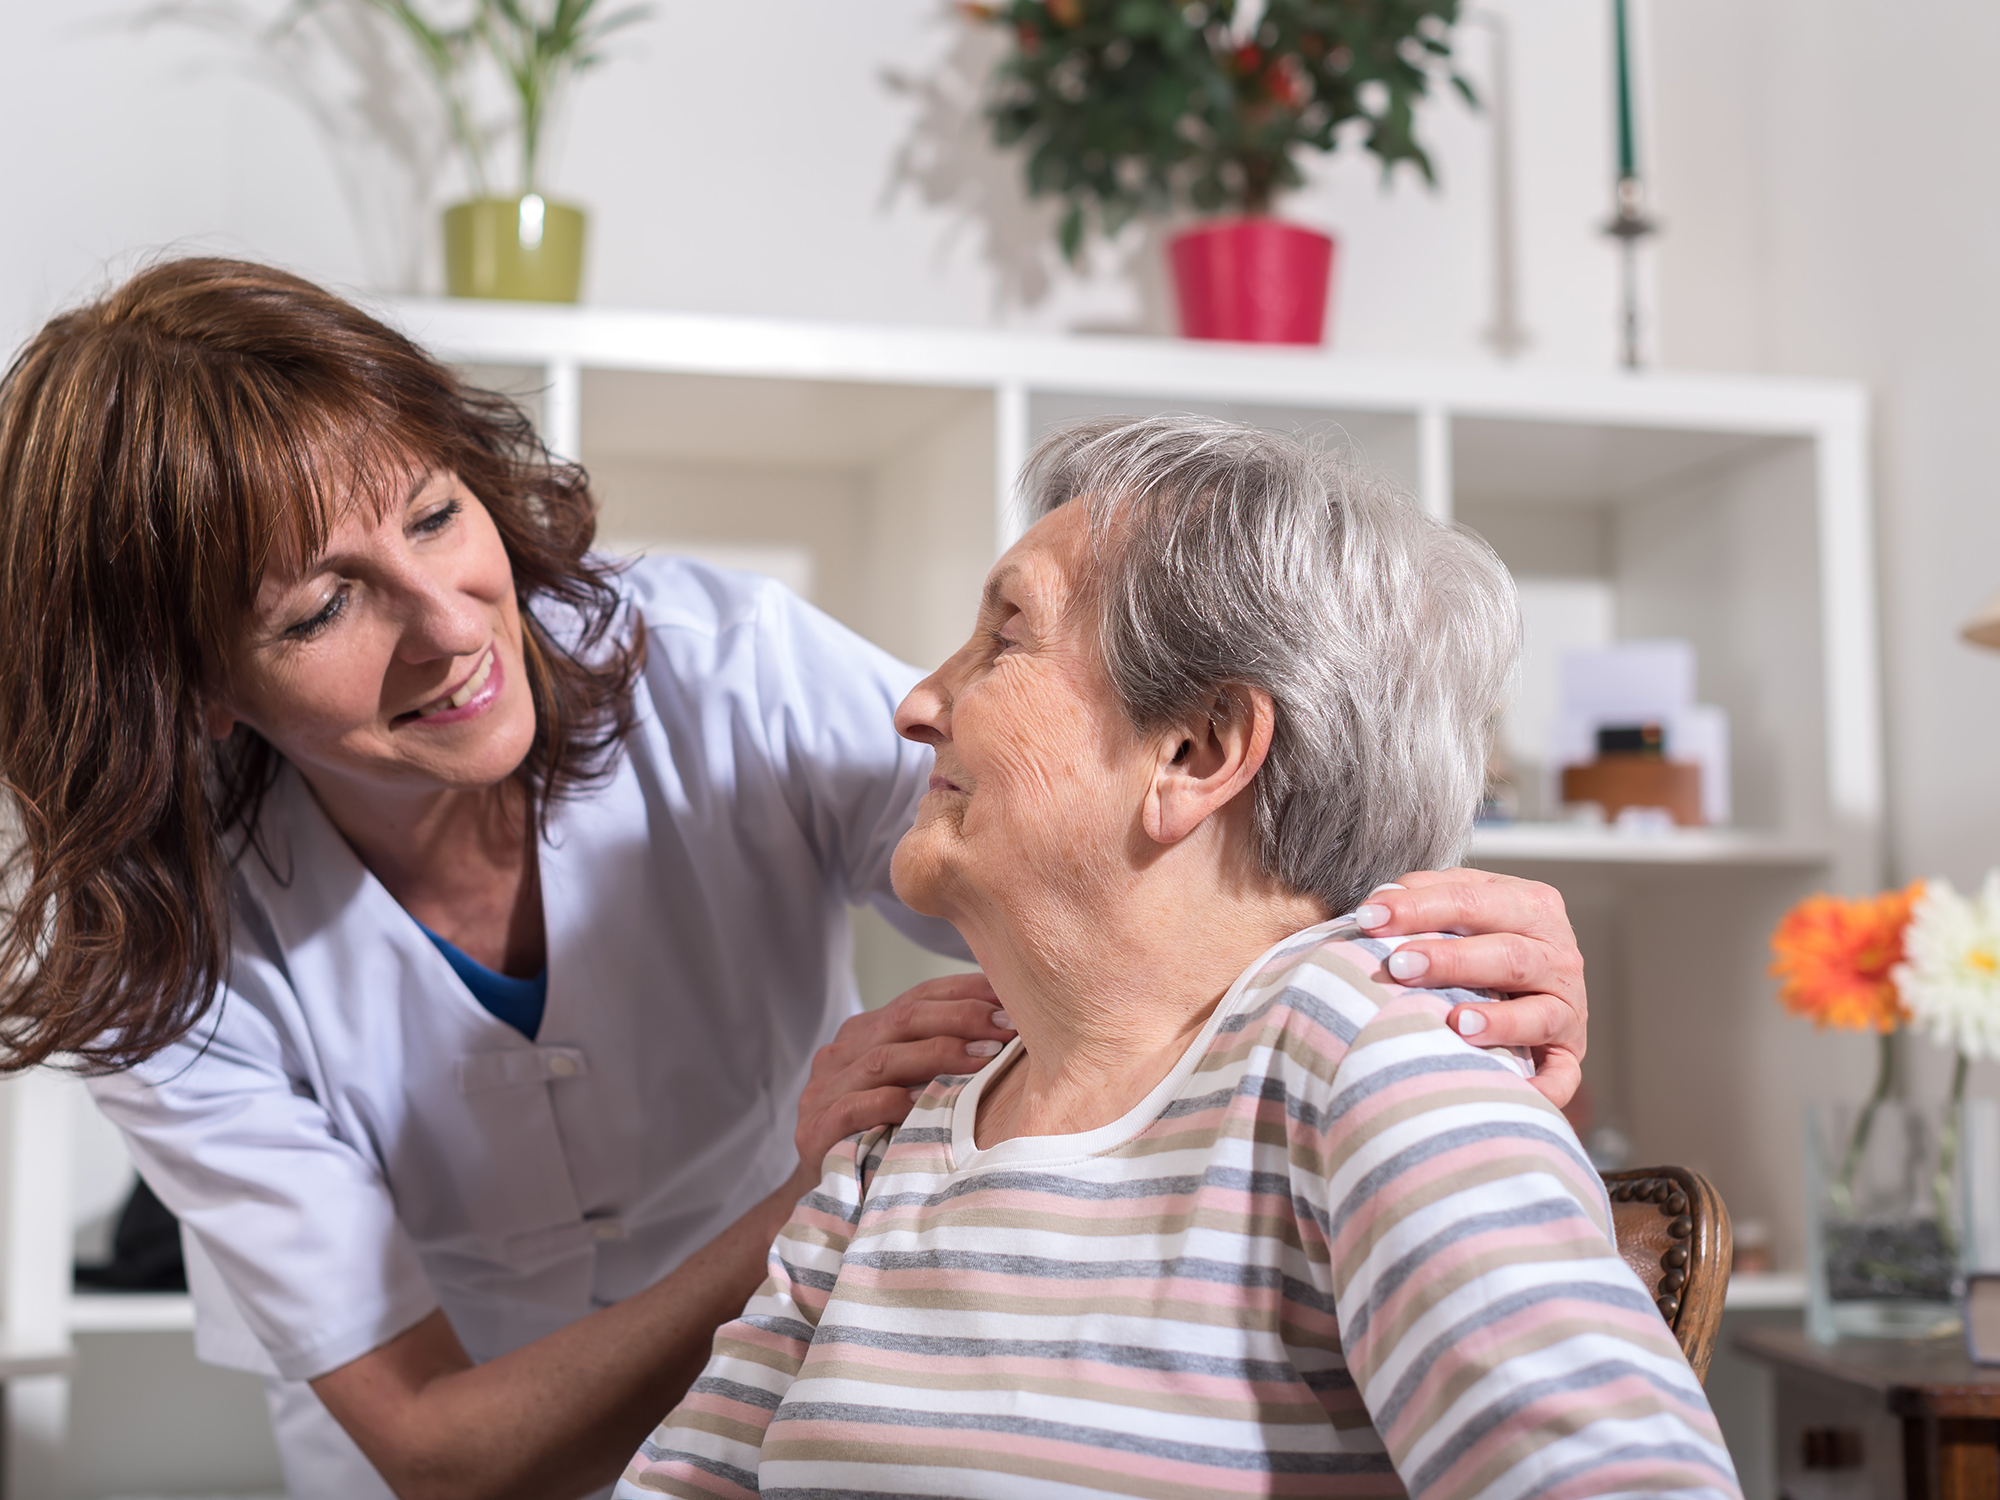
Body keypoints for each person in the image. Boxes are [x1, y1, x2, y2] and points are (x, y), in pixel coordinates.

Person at [0, 260, 1593, 1500]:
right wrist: (829, 1189)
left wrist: (1426, 934)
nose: (453, 626)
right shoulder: (164, 954)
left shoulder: (716, 669)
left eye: (436, 512)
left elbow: (1129, 869)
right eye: (319, 609)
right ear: (191, 687)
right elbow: (441, 1451)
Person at [620, 417, 1739, 1499]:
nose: (916, 706)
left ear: (1195, 751)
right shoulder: (905, 1123)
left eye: (1003, 639)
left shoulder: (1363, 1063)